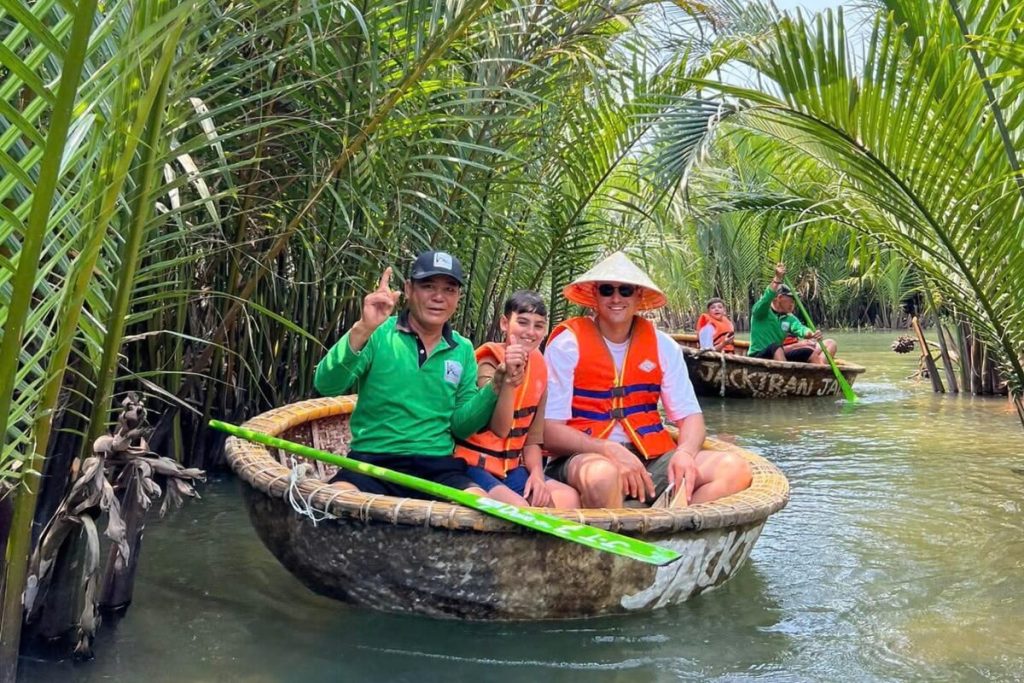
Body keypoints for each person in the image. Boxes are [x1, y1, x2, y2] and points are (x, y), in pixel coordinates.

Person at [543, 252, 753, 508]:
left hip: (650, 455)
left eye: (626, 291)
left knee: (734, 469)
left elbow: (691, 418)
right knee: (603, 476)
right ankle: (619, 538)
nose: (616, 298)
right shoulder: (567, 344)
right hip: (582, 456)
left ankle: (670, 528)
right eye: (607, 290)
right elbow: (549, 431)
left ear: (639, 296)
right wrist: (608, 449)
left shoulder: (663, 345)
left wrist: (685, 453)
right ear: (595, 297)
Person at [313, 251, 507, 498]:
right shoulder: (379, 333)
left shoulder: (463, 349)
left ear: (458, 297)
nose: (438, 297)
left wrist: (495, 388)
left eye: (449, 289)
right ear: (408, 289)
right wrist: (363, 328)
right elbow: (326, 385)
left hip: (436, 467)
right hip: (371, 463)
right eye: (428, 286)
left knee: (480, 505)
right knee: (337, 499)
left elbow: (461, 427)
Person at [454, 291, 580, 509]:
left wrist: (538, 476)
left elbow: (532, 439)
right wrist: (509, 382)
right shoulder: (487, 362)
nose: (530, 332)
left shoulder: (540, 368)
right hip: (474, 466)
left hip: (511, 468)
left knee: (567, 499)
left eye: (538, 326)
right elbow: (500, 429)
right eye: (522, 323)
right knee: (519, 507)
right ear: (505, 323)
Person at [748, 263, 838, 364]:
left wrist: (811, 334)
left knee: (808, 352)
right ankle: (785, 375)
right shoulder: (761, 312)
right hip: (759, 356)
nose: (793, 304)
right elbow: (767, 298)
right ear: (779, 298)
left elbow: (800, 329)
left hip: (778, 355)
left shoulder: (789, 318)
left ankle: (819, 376)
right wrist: (777, 278)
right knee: (775, 347)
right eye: (791, 300)